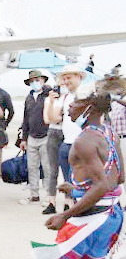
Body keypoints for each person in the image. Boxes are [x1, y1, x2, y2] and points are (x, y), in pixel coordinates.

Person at [13, 82, 123, 259]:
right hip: (110, 215)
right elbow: (118, 177)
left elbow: (102, 184)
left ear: (88, 107)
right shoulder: (109, 133)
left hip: (90, 219)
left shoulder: (85, 140)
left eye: (73, 103)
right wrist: (77, 188)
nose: (68, 107)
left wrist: (65, 214)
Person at [54, 65, 87, 212]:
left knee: (80, 181)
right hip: (66, 143)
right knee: (67, 181)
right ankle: (69, 209)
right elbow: (54, 118)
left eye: (69, 77)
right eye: (64, 78)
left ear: (79, 77)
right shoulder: (65, 97)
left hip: (81, 144)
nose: (66, 81)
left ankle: (80, 209)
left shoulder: (86, 94)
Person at [19, 70, 52, 205]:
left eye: (37, 80)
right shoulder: (29, 97)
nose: (35, 83)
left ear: (43, 80)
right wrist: (23, 138)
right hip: (32, 137)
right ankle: (34, 194)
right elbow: (25, 118)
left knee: (47, 167)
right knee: (32, 167)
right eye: (32, 81)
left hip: (47, 136)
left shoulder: (50, 95)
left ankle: (50, 196)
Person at [42, 76, 67, 214]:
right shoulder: (50, 100)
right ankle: (51, 201)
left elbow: (57, 117)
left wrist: (56, 115)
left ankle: (69, 201)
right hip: (53, 132)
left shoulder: (69, 98)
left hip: (66, 133)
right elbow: (49, 119)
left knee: (68, 170)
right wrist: (52, 103)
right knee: (53, 170)